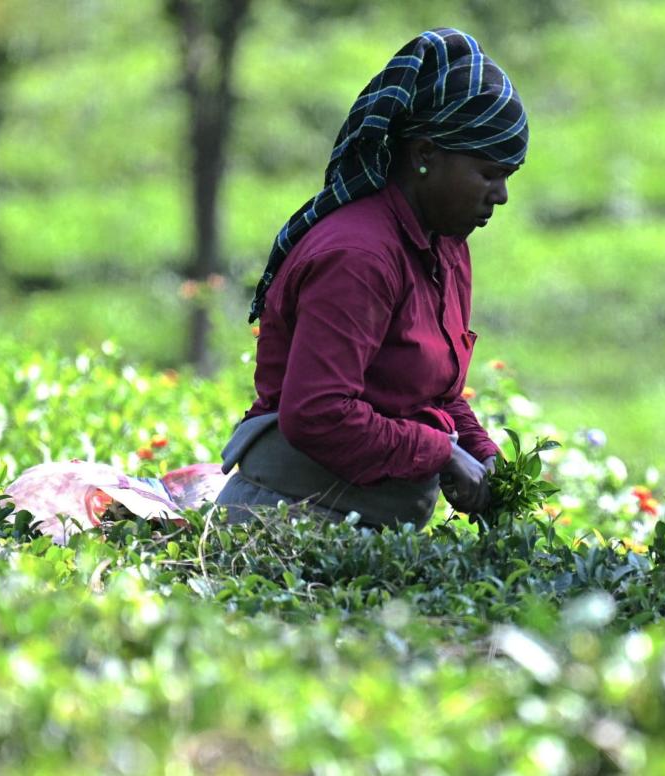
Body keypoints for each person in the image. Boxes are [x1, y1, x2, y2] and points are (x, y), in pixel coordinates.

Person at [215, 28, 528, 530]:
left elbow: (434, 394)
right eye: (489, 173)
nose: (501, 195)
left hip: (377, 526)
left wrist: (480, 451)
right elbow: (318, 413)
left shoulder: (447, 247)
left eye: (508, 175)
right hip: (291, 524)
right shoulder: (358, 257)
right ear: (425, 154)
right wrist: (442, 455)